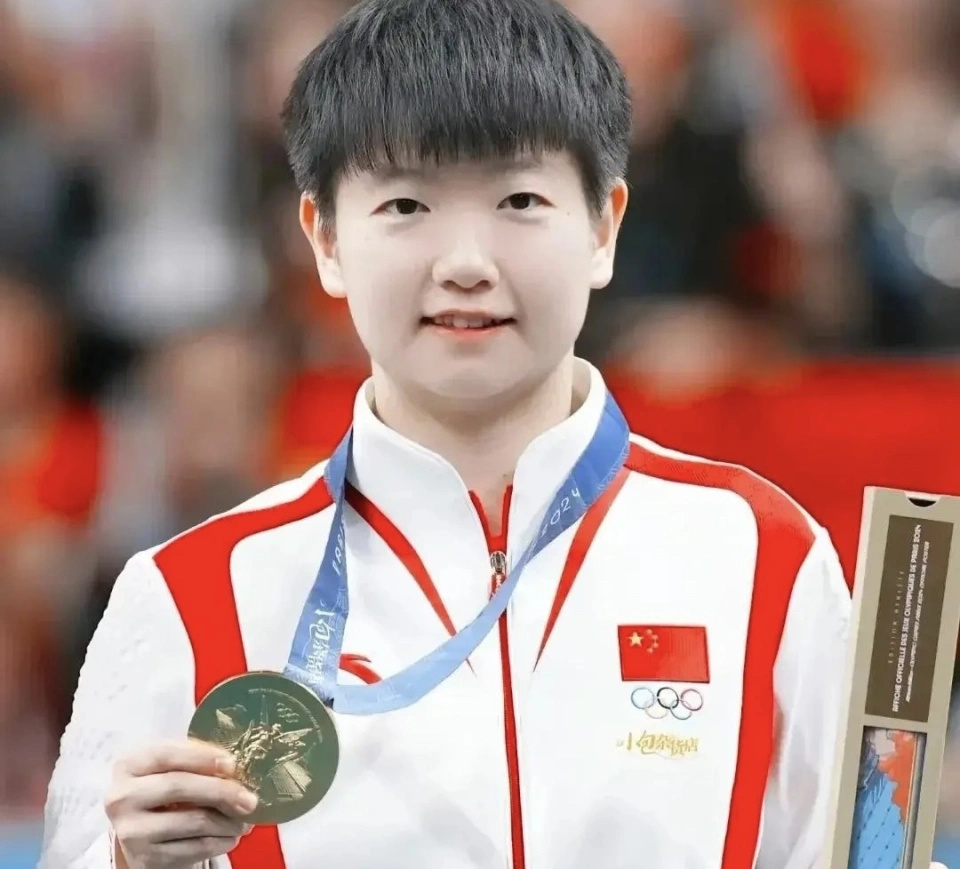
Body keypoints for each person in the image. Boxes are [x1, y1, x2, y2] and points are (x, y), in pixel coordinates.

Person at [36, 1, 948, 868]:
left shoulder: (763, 553)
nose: (466, 264)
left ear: (604, 227)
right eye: (406, 206)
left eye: (518, 200)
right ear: (325, 240)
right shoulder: (191, 594)